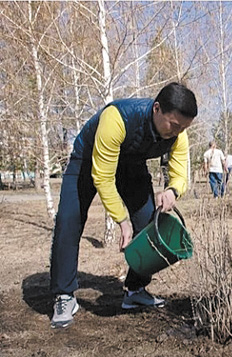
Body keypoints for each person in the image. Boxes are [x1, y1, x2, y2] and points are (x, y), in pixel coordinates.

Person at [49, 82, 197, 329]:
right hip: (87, 161)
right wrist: (121, 220)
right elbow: (103, 177)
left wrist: (173, 191)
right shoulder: (117, 118)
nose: (177, 132)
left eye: (183, 128)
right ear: (157, 109)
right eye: (174, 125)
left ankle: (135, 290)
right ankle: (64, 295)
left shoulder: (178, 134)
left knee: (150, 222)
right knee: (68, 221)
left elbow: (181, 174)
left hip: (131, 166)